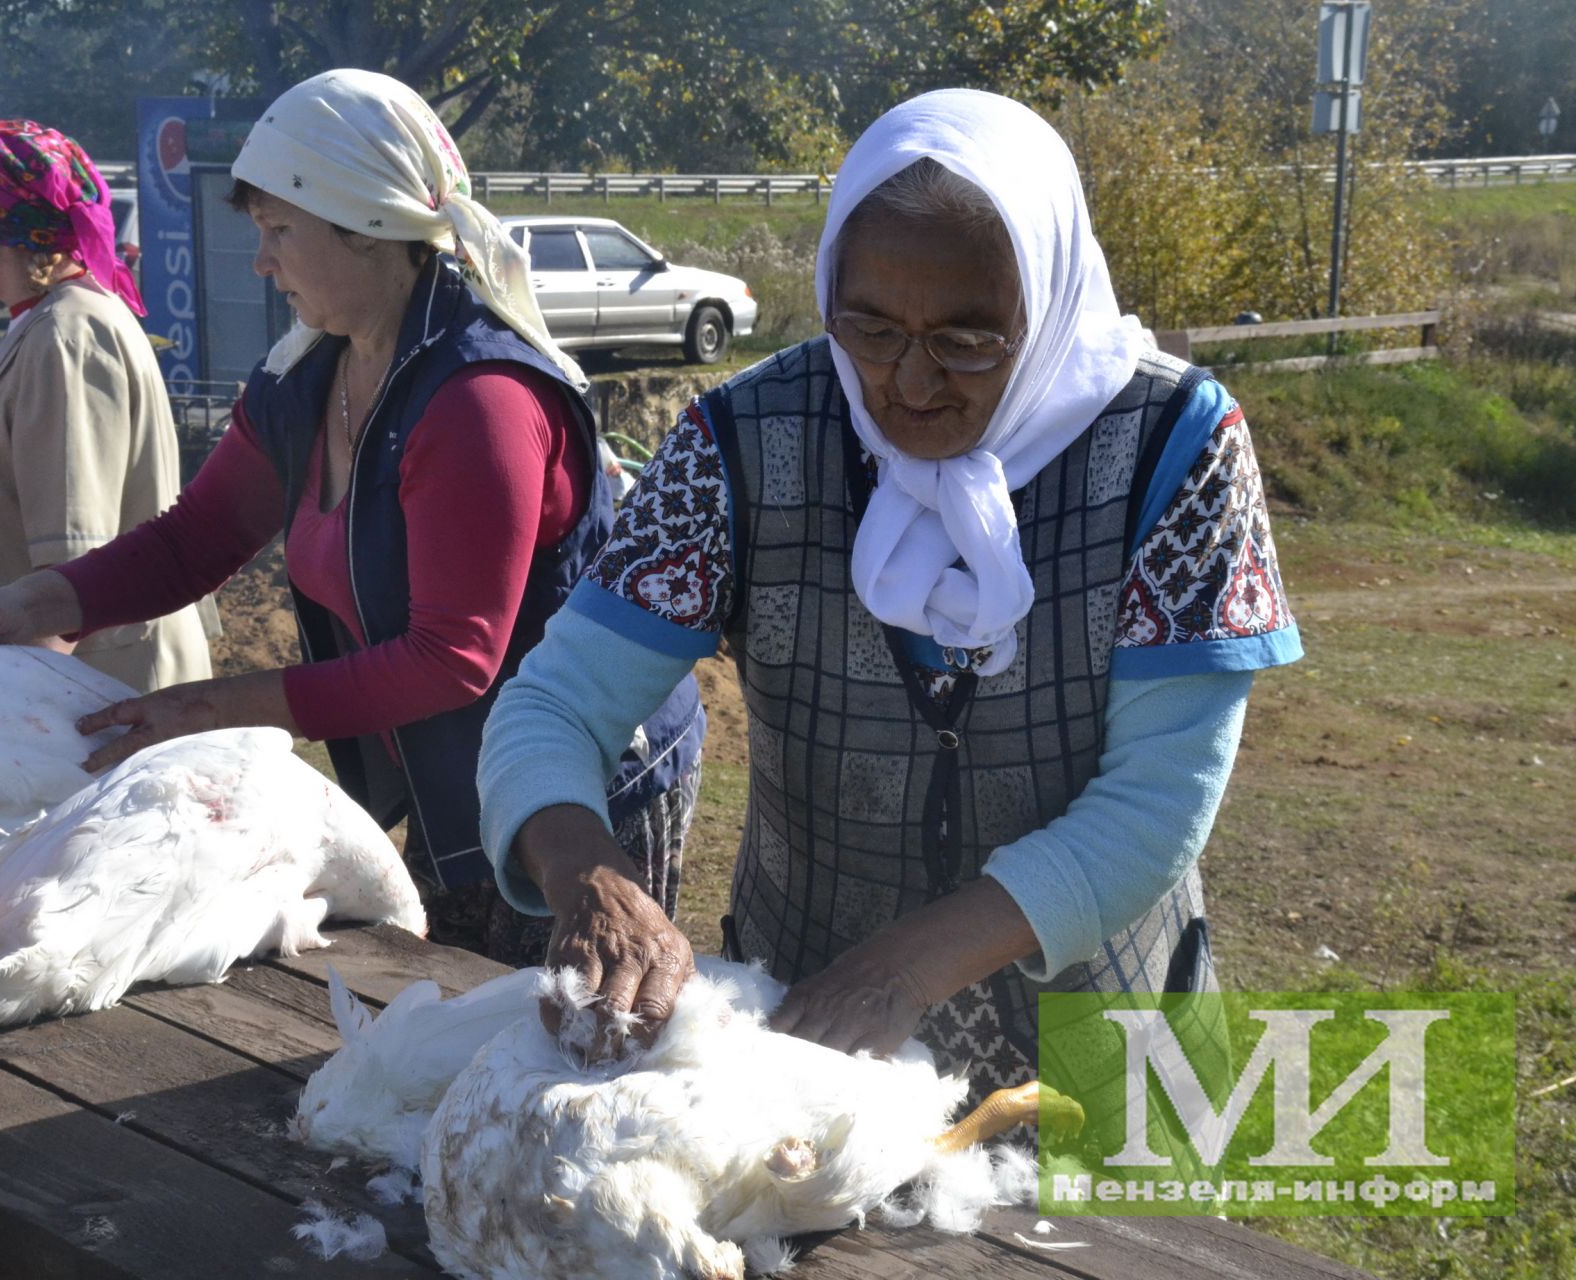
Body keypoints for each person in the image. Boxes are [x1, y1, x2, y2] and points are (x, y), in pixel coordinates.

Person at [479, 89, 1302, 1083]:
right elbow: (552, 703)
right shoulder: (741, 444)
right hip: (810, 1034)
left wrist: (906, 968)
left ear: (1047, 301)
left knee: (1091, 1249)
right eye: (869, 328)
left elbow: (1160, 800)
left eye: (967, 339)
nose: (910, 384)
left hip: (1100, 1045)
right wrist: (590, 878)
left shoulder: (1174, 449)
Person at [0, 70, 705, 966]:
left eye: (279, 230)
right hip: (463, 774)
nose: (262, 260)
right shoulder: (310, 376)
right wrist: (35, 603)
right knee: (461, 1014)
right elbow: (195, 539)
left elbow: (453, 657)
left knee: (561, 1043)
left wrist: (216, 707)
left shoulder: (476, 399)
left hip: (579, 792)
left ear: (368, 226)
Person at [0, 118, 213, 692]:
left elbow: (70, 568)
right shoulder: (50, 320)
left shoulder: (68, 335)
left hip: (94, 699)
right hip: (69, 688)